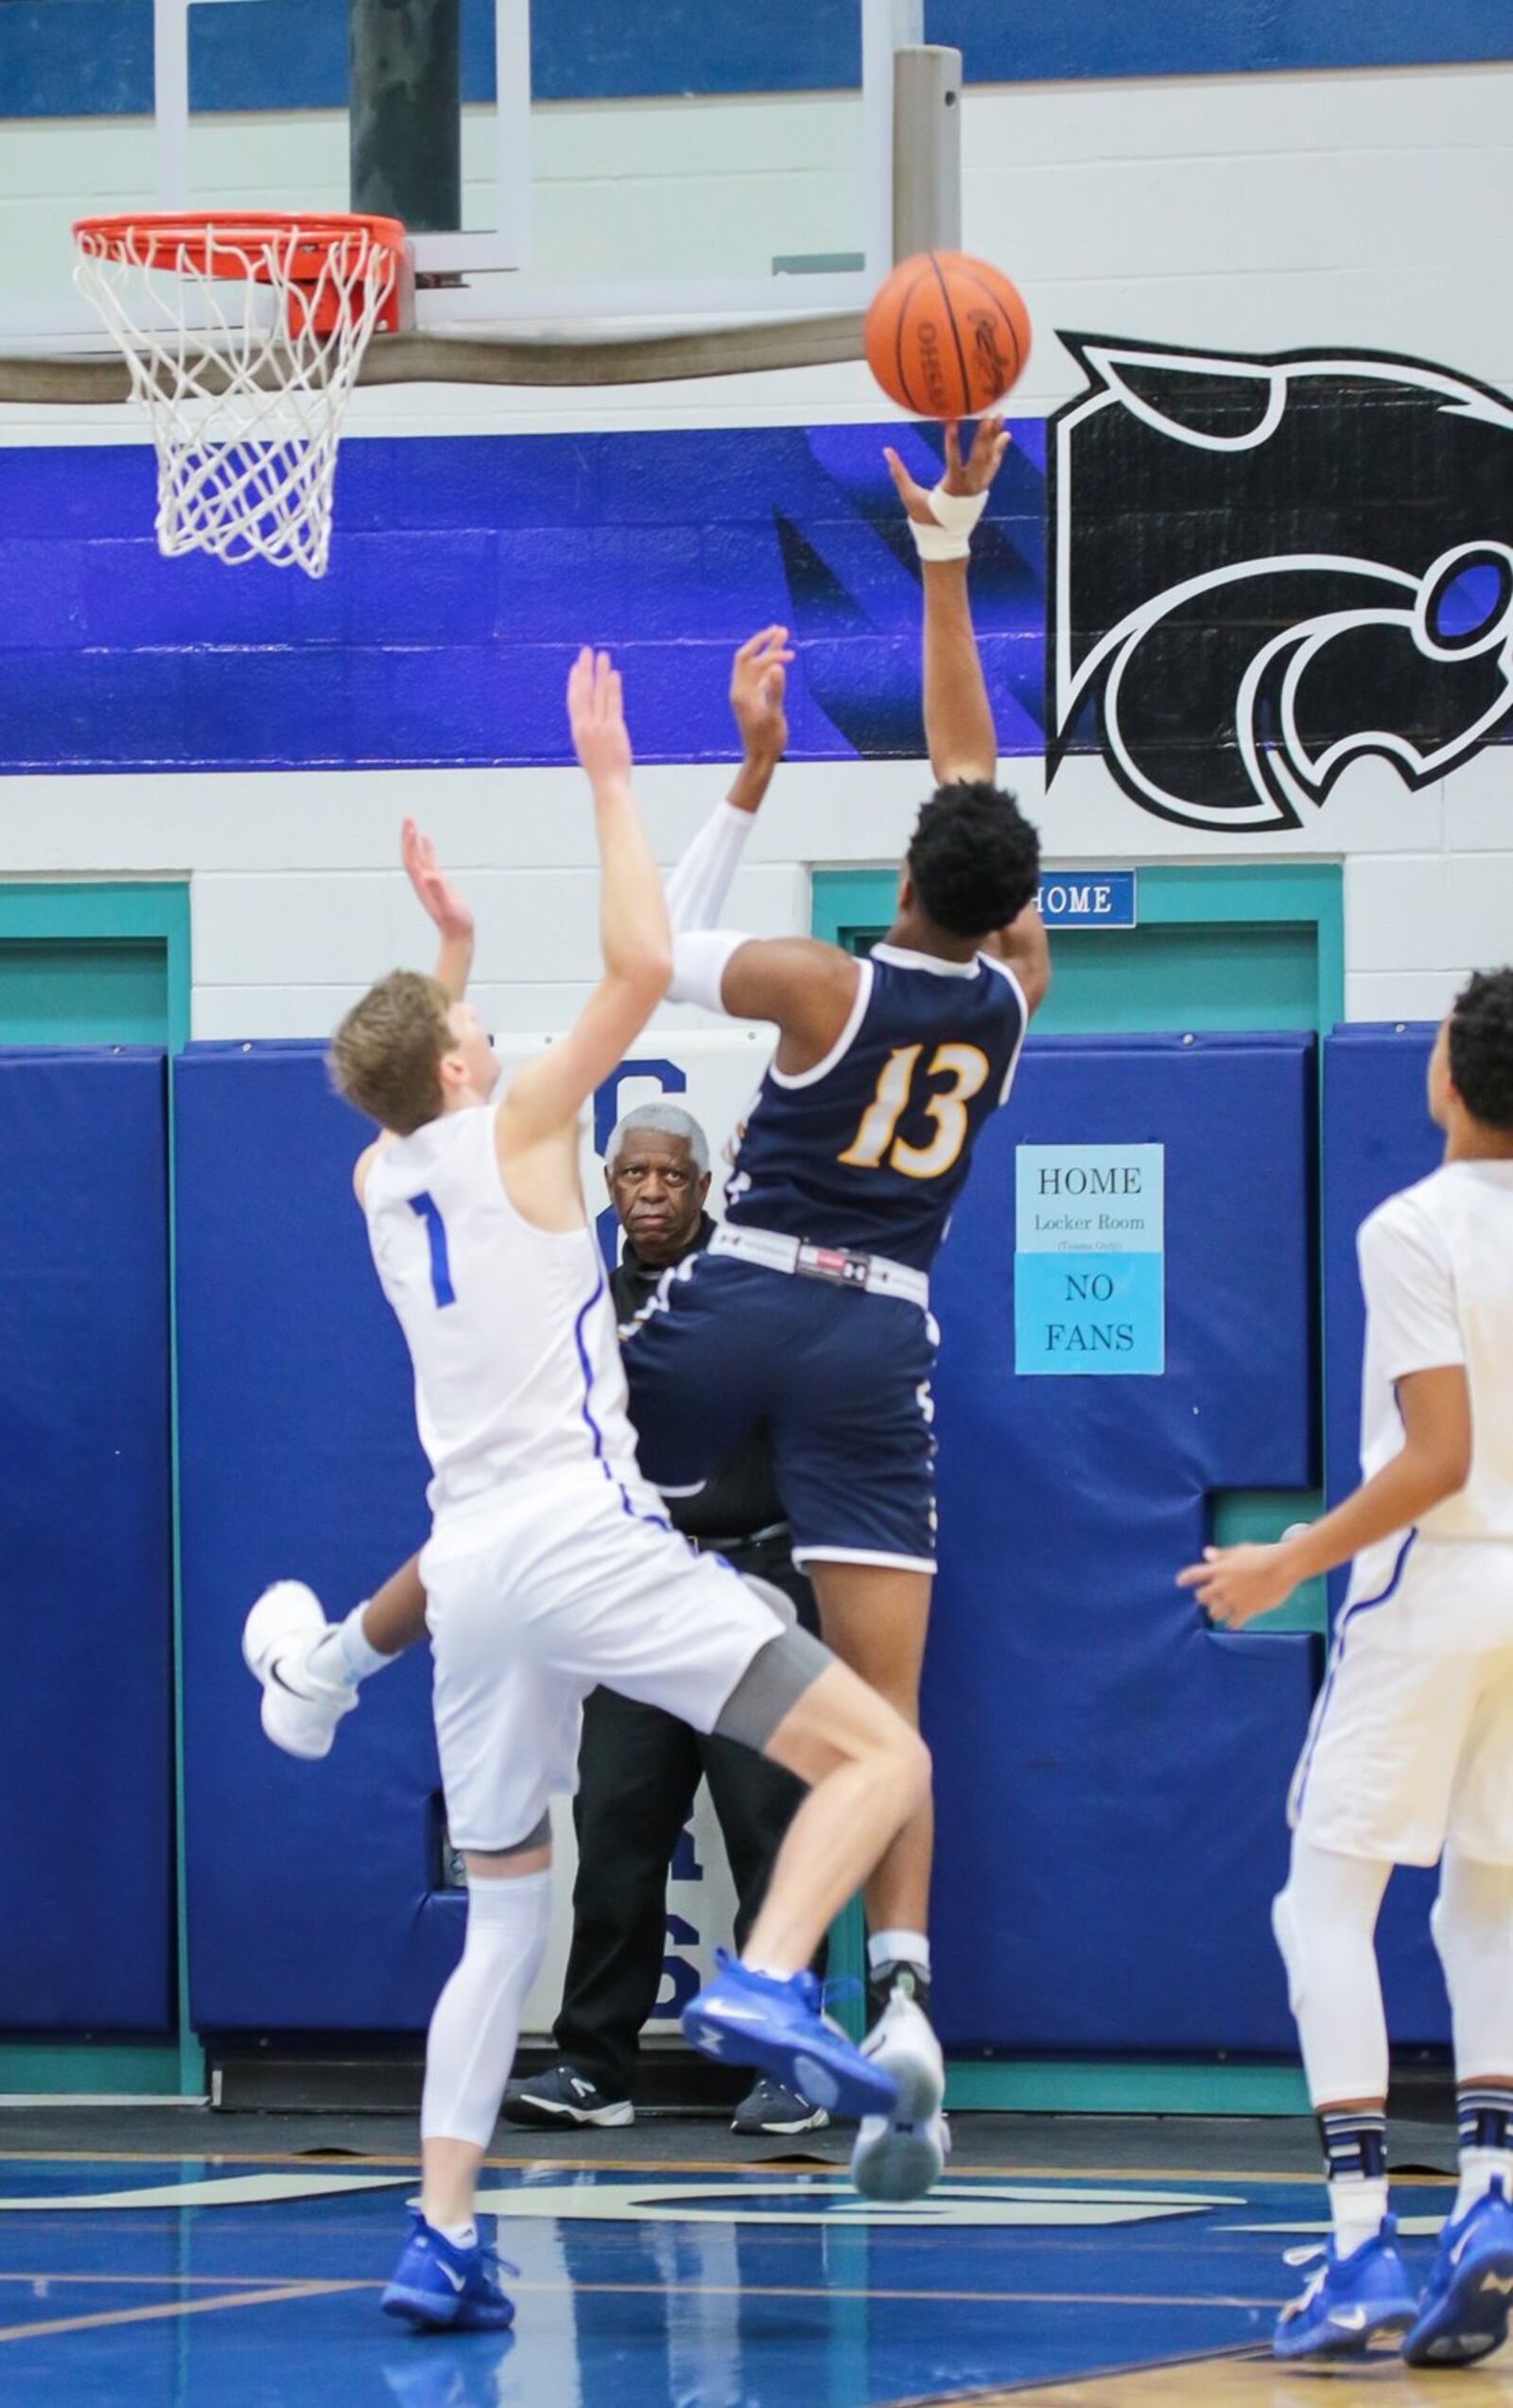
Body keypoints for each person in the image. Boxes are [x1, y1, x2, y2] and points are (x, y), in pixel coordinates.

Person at [247, 649, 928, 2335]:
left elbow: (410, 1061)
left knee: (506, 1922)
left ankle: (441, 2227)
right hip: (579, 1535)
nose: (493, 1026)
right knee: (881, 1750)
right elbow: (642, 958)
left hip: (469, 1576)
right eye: (480, 1024)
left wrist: (450, 952)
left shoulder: (377, 1168)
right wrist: (610, 769)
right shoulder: (538, 1118)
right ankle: (773, 1973)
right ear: (475, 1071)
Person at [619, 418, 1050, 2201]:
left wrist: (747, 771)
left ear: (899, 883)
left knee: (528, 1479)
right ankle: (905, 2005)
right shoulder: (1015, 998)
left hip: (749, 1296)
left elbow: (646, 950)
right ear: (1009, 908)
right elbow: (976, 789)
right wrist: (949, 556)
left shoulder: (816, 982)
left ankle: (354, 1656)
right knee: (889, 1710)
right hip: (885, 1334)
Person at [1180, 968, 1513, 2368]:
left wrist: (1290, 1558)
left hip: (1437, 1578)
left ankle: (1364, 2233)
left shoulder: (1414, 1225)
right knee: (1488, 1905)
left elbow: (1436, 1458)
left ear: (1447, 1068)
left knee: (1324, 1900)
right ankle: (1492, 2202)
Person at [502, 1099, 827, 2139]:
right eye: (633, 1178)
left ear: (703, 1188)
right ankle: (595, 2066)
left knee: (772, 1835)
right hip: (638, 1598)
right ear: (611, 1189)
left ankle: (788, 2069)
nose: (650, 1195)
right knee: (616, 1832)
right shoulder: (586, 1316)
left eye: (669, 1178)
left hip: (753, 1591)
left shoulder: (753, 1294)